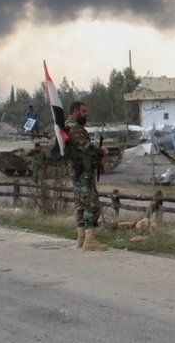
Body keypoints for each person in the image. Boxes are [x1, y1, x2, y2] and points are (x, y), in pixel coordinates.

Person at [65, 101, 108, 251]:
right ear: (76, 112)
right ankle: (89, 241)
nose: (86, 114)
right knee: (92, 205)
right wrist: (100, 151)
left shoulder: (71, 126)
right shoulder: (74, 128)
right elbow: (86, 147)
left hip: (78, 170)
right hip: (82, 171)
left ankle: (81, 239)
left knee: (81, 206)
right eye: (83, 112)